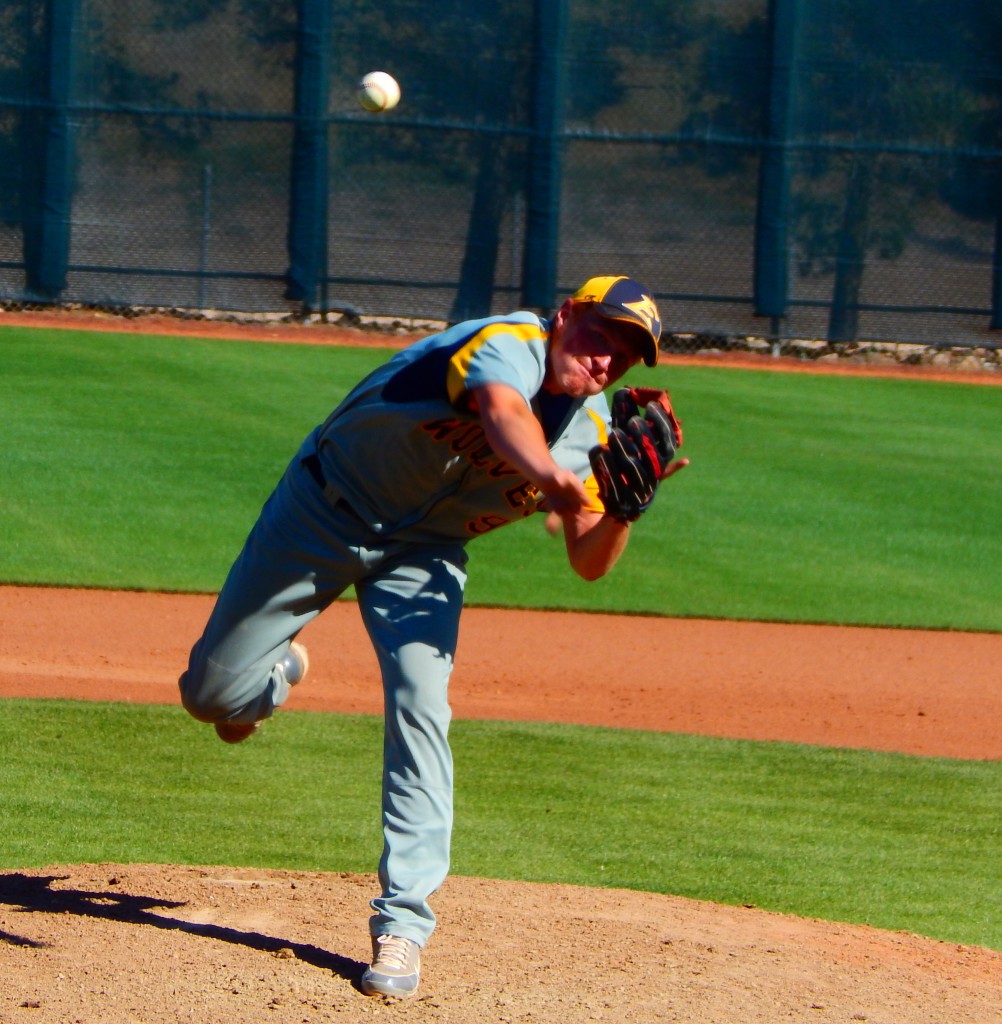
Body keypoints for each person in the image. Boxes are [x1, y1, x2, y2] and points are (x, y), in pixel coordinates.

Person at [178, 275, 687, 999]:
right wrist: (548, 473)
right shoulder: (508, 345)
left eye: (628, 357)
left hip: (427, 552)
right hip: (325, 508)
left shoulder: (593, 430)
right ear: (567, 315)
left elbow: (587, 560)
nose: (608, 361)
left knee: (423, 706)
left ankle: (402, 926)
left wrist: (625, 512)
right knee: (211, 698)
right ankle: (270, 674)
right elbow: (501, 411)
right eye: (603, 335)